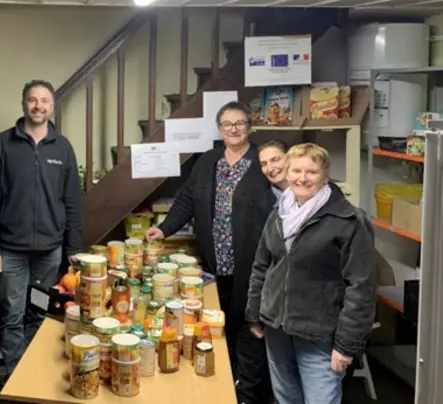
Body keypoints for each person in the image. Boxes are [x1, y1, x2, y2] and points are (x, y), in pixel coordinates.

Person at [146, 101, 271, 404]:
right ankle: (221, 386)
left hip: (252, 265)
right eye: (227, 124)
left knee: (248, 327)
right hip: (215, 264)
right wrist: (164, 229)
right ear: (219, 128)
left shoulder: (263, 163)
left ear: (249, 127)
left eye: (239, 123)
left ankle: (246, 393)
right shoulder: (208, 161)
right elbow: (187, 200)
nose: (233, 129)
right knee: (217, 325)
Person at [246, 143, 376, 404]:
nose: (302, 178)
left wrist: (346, 345)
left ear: (325, 175)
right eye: (296, 170)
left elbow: (361, 287)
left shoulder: (349, 220)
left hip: (318, 333)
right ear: (287, 172)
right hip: (276, 327)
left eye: (311, 172)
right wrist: (254, 312)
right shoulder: (279, 213)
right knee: (286, 398)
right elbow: (262, 265)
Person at [0, 80, 82, 378]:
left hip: (49, 252)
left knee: (39, 313)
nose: (38, 106)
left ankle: (35, 375)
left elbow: (73, 201)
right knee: (11, 317)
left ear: (52, 106)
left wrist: (73, 247)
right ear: (23, 103)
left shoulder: (63, 148)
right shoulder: (1, 144)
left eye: (44, 101)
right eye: (32, 100)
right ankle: (17, 379)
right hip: (10, 252)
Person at [258, 139, 289, 205]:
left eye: (275, 160)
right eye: (264, 164)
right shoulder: (261, 203)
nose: (270, 169)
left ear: (289, 159)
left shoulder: (310, 192)